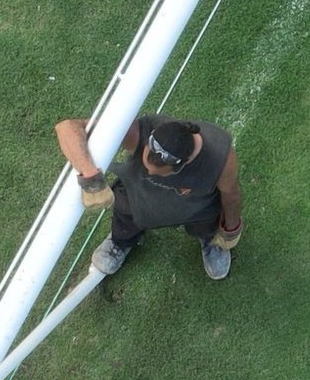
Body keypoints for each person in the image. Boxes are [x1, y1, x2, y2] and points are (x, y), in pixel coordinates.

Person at [55, 113, 244, 280]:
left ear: (181, 166)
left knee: (206, 219)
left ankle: (211, 240)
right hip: (137, 193)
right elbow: (67, 127)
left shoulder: (221, 159)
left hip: (197, 205)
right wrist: (90, 177)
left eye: (157, 172)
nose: (149, 171)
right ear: (149, 142)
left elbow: (231, 195)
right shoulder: (137, 132)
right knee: (126, 212)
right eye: (146, 162)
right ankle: (120, 242)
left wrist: (231, 228)